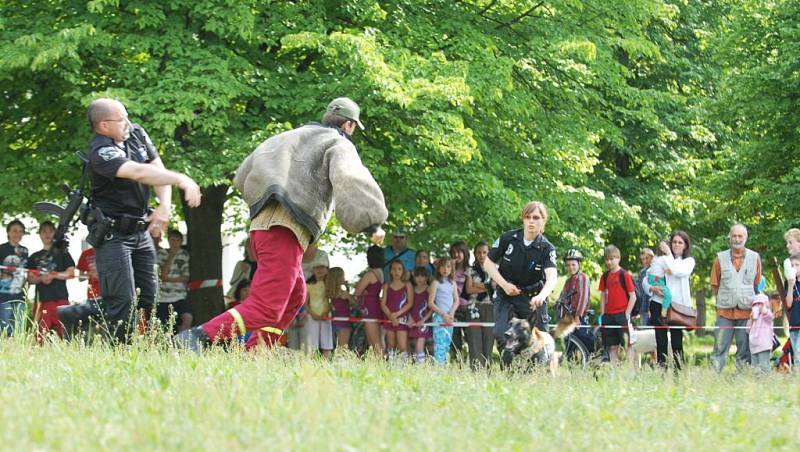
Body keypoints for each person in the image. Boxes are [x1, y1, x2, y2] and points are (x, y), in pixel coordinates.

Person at [178, 97, 387, 351]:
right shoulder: (338, 142)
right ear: (349, 125)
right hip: (285, 231)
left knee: (295, 296)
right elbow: (350, 178)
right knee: (267, 305)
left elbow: (242, 175)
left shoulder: (286, 137)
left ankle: (258, 351)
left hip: (261, 228)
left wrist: (268, 200)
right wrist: (371, 223)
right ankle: (196, 338)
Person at [77, 98, 201, 343]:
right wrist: (182, 179)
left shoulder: (135, 133)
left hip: (140, 230)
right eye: (121, 119)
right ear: (103, 126)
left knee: (148, 298)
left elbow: (156, 170)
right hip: (113, 233)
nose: (128, 123)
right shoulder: (101, 151)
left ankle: (80, 314)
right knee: (123, 302)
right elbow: (138, 172)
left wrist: (165, 205)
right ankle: (119, 352)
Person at [484, 201, 558, 366]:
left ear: (543, 221)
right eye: (528, 217)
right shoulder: (508, 238)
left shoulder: (547, 248)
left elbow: (552, 276)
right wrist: (504, 285)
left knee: (541, 338)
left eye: (536, 217)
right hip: (506, 294)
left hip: (532, 298)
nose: (531, 221)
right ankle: (510, 371)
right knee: (501, 333)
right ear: (523, 219)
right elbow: (488, 264)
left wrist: (542, 295)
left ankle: (536, 372)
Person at [710, 224, 762, 373]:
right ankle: (714, 377)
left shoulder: (755, 258)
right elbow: (715, 284)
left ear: (746, 238)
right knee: (719, 347)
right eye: (734, 236)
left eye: (740, 236)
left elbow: (756, 283)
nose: (737, 239)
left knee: (744, 349)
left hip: (746, 313)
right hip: (724, 313)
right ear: (729, 237)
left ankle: (742, 378)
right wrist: (725, 299)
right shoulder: (719, 258)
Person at [643, 232, 695, 370]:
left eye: (680, 242)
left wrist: (668, 254)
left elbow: (677, 271)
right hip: (658, 304)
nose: (676, 245)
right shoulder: (660, 259)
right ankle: (662, 372)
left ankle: (679, 374)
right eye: (674, 242)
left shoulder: (688, 262)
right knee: (661, 341)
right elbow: (647, 277)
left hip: (677, 307)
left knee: (677, 342)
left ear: (685, 246)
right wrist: (651, 288)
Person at [27, 221, 75, 342]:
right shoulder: (34, 257)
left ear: (54, 234)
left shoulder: (63, 253)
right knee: (40, 337)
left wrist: (54, 275)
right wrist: (41, 278)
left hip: (61, 300)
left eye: (50, 231)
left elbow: (71, 273)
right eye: (44, 231)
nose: (47, 234)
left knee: (66, 335)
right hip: (42, 301)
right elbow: (30, 279)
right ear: (40, 234)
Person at [599, 245, 636, 365]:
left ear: (618, 258)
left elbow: (633, 296)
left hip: (622, 315)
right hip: (608, 316)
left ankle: (631, 371)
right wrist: (603, 314)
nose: (609, 262)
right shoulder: (604, 276)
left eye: (612, 259)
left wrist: (627, 314)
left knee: (627, 345)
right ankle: (614, 371)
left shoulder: (624, 275)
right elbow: (603, 296)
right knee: (612, 346)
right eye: (607, 259)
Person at [464, 241, 495, 369]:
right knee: (474, 339)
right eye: (479, 252)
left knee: (488, 340)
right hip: (474, 306)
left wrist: (478, 285)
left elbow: (495, 286)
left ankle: (487, 369)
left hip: (490, 306)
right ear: (475, 254)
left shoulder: (495, 269)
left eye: (484, 252)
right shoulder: (470, 270)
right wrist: (488, 287)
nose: (482, 255)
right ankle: (476, 369)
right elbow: (469, 290)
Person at [155, 229, 192, 333]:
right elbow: (161, 275)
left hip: (179, 296)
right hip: (163, 297)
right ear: (168, 240)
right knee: (163, 326)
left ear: (181, 241)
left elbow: (185, 277)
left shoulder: (184, 254)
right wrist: (171, 256)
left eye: (177, 240)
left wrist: (167, 279)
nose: (174, 243)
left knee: (187, 318)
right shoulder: (161, 254)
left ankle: (182, 341)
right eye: (172, 240)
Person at [355, 245, 386, 355]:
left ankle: (381, 364)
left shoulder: (370, 274)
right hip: (377, 306)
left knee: (374, 341)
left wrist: (363, 292)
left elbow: (357, 291)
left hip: (369, 308)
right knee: (379, 339)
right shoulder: (381, 272)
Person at [0, 219, 28, 336]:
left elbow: (26, 272)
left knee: (19, 329)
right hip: (3, 295)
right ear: (8, 232)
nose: (17, 234)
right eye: (14, 231)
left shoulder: (25, 250)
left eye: (20, 231)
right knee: (5, 328)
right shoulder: (1, 248)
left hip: (19, 296)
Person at [381, 260, 413, 360]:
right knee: (391, 344)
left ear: (403, 271)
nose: (396, 272)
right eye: (394, 269)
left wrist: (397, 314)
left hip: (402, 319)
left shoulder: (407, 285)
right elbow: (383, 303)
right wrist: (390, 315)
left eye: (399, 269)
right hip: (389, 318)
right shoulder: (386, 286)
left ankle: (403, 366)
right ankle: (391, 365)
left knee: (402, 346)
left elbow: (410, 303)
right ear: (390, 271)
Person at [429, 258, 459, 365]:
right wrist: (443, 314)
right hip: (439, 317)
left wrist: (451, 313)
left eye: (448, 266)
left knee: (447, 343)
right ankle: (439, 367)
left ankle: (444, 365)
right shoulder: (435, 283)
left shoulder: (453, 283)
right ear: (438, 268)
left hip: (450, 318)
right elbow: (431, 303)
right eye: (443, 266)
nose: (445, 269)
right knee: (440, 343)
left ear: (452, 269)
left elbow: (456, 300)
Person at [303, 261, 333, 358]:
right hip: (312, 317)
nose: (319, 270)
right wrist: (312, 314)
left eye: (322, 267)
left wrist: (326, 312)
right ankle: (311, 367)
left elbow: (332, 301)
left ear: (327, 269)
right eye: (317, 267)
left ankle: (325, 366)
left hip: (326, 317)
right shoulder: (308, 285)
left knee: (327, 345)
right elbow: (305, 303)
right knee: (312, 345)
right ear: (313, 270)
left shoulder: (330, 284)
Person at [449, 241, 471, 362]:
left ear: (465, 253)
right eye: (453, 252)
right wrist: (451, 268)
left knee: (469, 338)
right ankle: (455, 361)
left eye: (459, 252)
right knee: (454, 338)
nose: (456, 255)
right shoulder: (447, 270)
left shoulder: (469, 270)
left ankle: (468, 361)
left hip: (466, 307)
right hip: (452, 309)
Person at [408, 266, 432, 364]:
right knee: (413, 344)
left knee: (419, 346)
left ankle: (420, 368)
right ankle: (417, 364)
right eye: (417, 276)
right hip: (413, 321)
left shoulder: (429, 289)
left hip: (424, 322)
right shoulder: (412, 289)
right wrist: (410, 319)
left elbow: (432, 308)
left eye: (422, 276)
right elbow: (408, 305)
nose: (419, 279)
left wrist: (424, 320)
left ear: (426, 277)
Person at [328, 267, 354, 350]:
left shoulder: (329, 293)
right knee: (343, 348)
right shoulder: (343, 293)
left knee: (336, 346)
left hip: (334, 322)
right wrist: (347, 289)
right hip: (344, 322)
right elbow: (355, 304)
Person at [646, 241, 673, 317]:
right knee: (668, 295)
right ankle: (664, 311)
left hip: (653, 279)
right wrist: (669, 253)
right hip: (657, 280)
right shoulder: (664, 259)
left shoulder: (656, 258)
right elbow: (670, 272)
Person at [748, 293, 774, 373]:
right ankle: (757, 383)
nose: (758, 305)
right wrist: (751, 319)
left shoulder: (767, 314)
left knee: (764, 366)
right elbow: (748, 330)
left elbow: (770, 317)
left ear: (765, 304)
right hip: (754, 345)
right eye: (756, 304)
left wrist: (764, 310)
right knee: (755, 368)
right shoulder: (753, 317)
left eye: (760, 303)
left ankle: (766, 382)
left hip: (764, 345)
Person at [783, 252, 800, 368]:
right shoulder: (788, 283)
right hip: (794, 324)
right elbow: (788, 304)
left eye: (797, 265)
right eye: (792, 265)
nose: (794, 268)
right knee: (797, 354)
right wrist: (790, 285)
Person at [635, 248, 654, 326]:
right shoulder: (642, 273)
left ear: (652, 257)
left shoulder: (658, 270)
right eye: (643, 259)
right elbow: (639, 292)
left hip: (656, 307)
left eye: (647, 258)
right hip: (643, 308)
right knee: (645, 331)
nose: (645, 261)